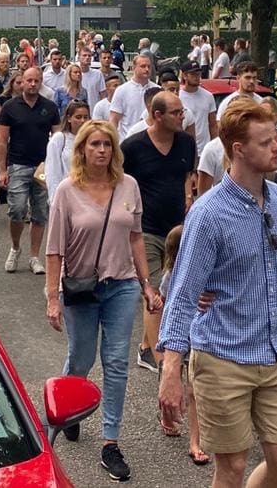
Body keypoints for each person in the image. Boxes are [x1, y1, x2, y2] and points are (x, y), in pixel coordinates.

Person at [158, 102, 277, 488]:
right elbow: (183, 294)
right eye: (267, 141)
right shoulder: (208, 214)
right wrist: (171, 368)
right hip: (224, 358)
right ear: (238, 149)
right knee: (232, 467)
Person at [43, 118, 162, 482]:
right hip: (80, 288)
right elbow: (54, 250)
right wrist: (52, 297)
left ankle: (110, 443)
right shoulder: (67, 190)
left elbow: (137, 237)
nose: (101, 150)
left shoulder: (129, 186)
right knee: (81, 357)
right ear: (81, 150)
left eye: (107, 144)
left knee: (115, 362)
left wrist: (146, 284)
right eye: (94, 144)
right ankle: (69, 410)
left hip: (121, 285)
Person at [122, 89, 197, 376]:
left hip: (178, 231)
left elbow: (186, 179)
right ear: (157, 115)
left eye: (183, 112)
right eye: (177, 113)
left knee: (175, 291)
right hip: (146, 230)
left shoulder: (187, 143)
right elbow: (120, 184)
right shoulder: (133, 147)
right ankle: (161, 358)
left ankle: (144, 346)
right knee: (154, 293)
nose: (183, 117)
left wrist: (188, 203)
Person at [0, 67, 60, 274]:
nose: (33, 84)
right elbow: (2, 141)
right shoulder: (9, 107)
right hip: (18, 164)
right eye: (29, 80)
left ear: (41, 82)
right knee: (17, 210)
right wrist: (2, 170)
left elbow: (58, 140)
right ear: (22, 82)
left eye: (37, 81)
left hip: (43, 166)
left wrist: (57, 168)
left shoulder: (50, 107)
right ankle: (15, 247)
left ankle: (34, 256)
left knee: (40, 212)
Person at [157, 223, 209, 466]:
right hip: (178, 337)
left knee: (193, 390)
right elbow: (169, 302)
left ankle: (194, 441)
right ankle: (168, 419)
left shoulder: (206, 270)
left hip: (198, 337)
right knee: (172, 381)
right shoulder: (171, 276)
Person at [46, 101, 91, 204]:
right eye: (78, 117)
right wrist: (54, 200)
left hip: (89, 194)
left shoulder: (92, 139)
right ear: (69, 118)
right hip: (67, 195)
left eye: (86, 117)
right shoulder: (59, 139)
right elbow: (52, 171)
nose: (82, 121)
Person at [108, 53, 154, 139]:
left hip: (151, 141)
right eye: (143, 66)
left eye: (149, 66)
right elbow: (114, 119)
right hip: (127, 141)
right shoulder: (122, 90)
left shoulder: (157, 90)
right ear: (134, 68)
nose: (147, 69)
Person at [177, 61, 217, 149]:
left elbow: (213, 124)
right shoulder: (178, 97)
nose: (197, 77)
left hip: (204, 148)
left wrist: (215, 145)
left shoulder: (208, 96)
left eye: (198, 74)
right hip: (184, 147)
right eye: (193, 74)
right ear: (184, 76)